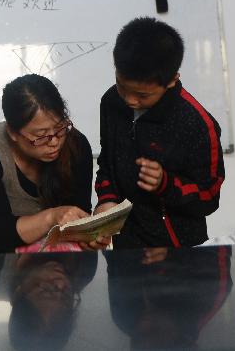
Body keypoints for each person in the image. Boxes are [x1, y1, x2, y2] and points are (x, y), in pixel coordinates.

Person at [94, 17, 224, 248]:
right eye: (121, 86)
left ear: (173, 80)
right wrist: (106, 201)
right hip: (126, 247)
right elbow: (107, 161)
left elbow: (209, 198)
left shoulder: (197, 124)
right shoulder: (111, 102)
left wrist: (166, 183)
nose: (129, 100)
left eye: (143, 95)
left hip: (179, 252)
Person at [0, 74, 94, 253]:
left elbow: (78, 212)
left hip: (53, 247)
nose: (54, 141)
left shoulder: (76, 144)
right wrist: (52, 217)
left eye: (60, 127)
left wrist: (88, 235)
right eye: (40, 135)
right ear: (13, 132)